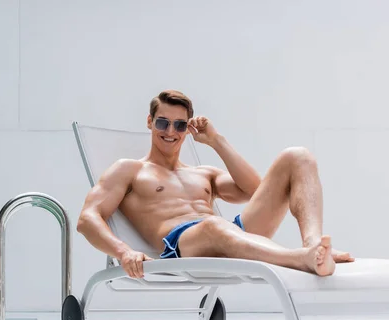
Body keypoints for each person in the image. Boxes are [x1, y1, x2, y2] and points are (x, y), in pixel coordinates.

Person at [76, 89, 355, 279]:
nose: (171, 132)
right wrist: (124, 252)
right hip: (181, 246)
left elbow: (255, 191)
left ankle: (315, 246)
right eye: (162, 123)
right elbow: (87, 219)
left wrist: (215, 141)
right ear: (150, 122)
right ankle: (302, 259)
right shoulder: (129, 169)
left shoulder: (203, 173)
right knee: (212, 224)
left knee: (298, 156)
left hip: (230, 235)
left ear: (187, 128)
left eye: (179, 125)